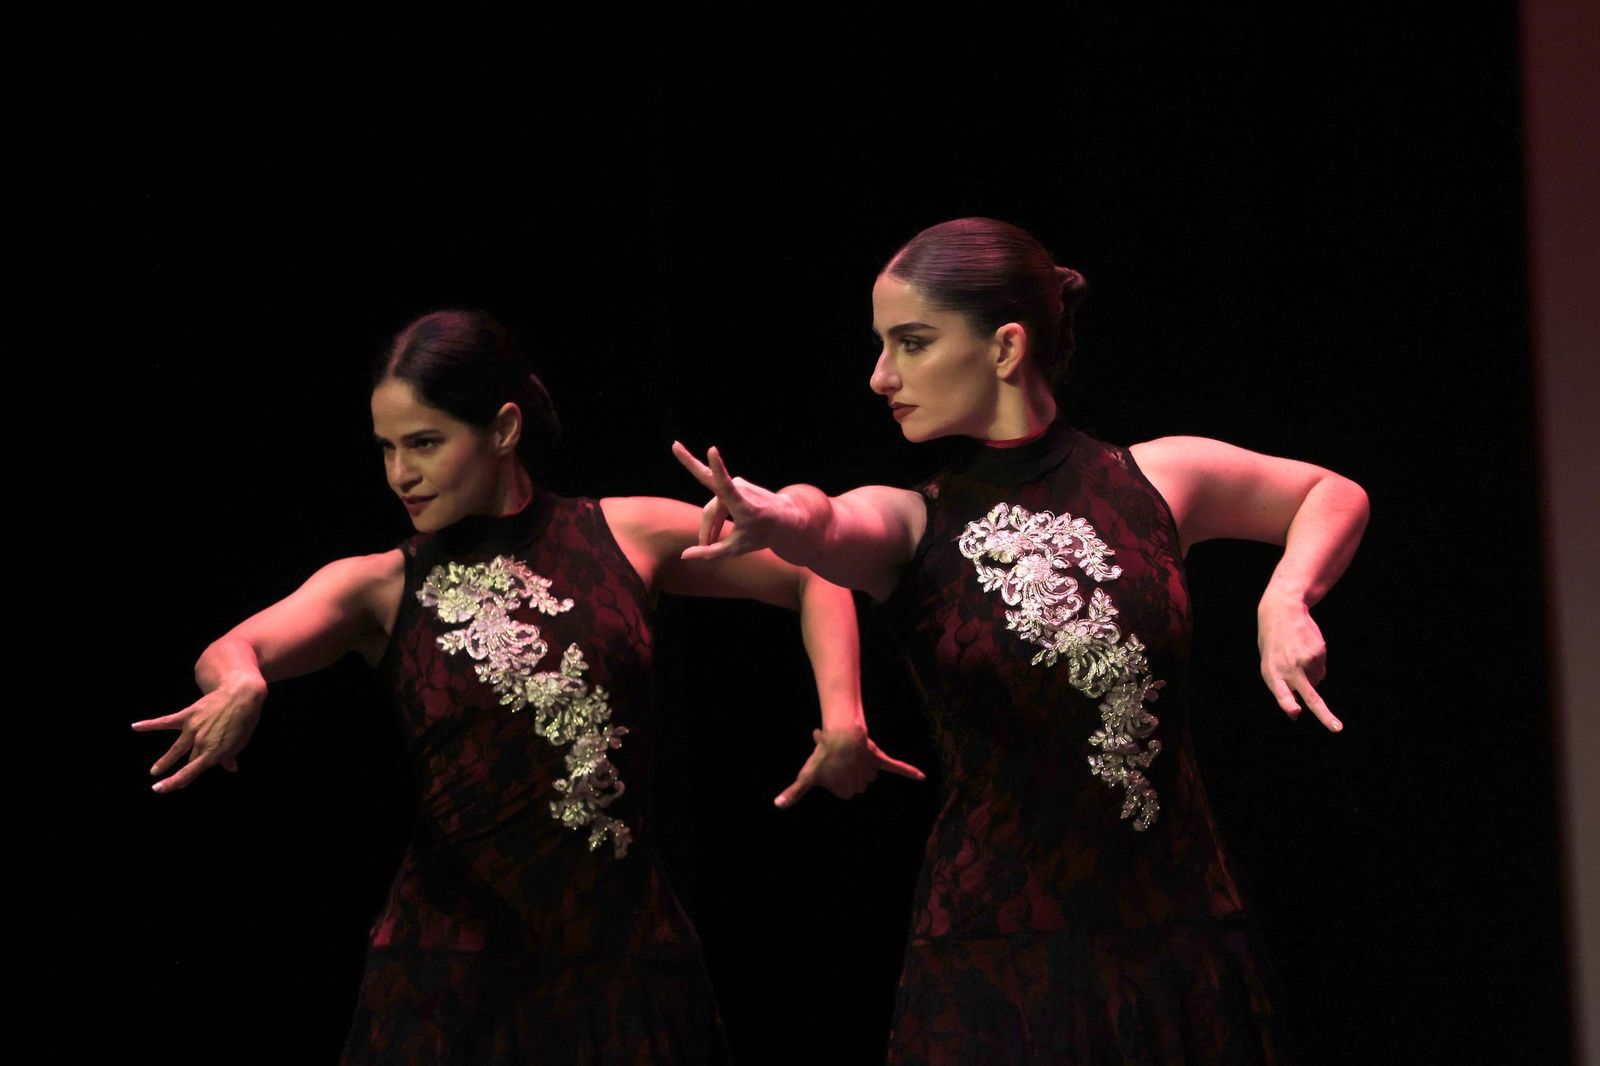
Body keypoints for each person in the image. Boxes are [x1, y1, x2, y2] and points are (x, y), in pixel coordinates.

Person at [133, 309, 920, 1064]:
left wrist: (843, 720)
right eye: (386, 448)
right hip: (450, 973)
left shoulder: (624, 533)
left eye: (425, 443)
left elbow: (814, 572)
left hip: (622, 962)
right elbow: (235, 647)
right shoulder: (379, 584)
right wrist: (240, 680)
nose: (400, 474)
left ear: (504, 428)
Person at [674, 218, 1369, 1064]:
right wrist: (782, 514)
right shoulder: (913, 521)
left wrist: (1286, 598)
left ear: (1006, 347)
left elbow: (1331, 494)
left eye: (912, 343)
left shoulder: (1156, 477)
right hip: (1000, 955)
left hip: (1178, 930)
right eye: (882, 346)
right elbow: (826, 520)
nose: (881, 375)